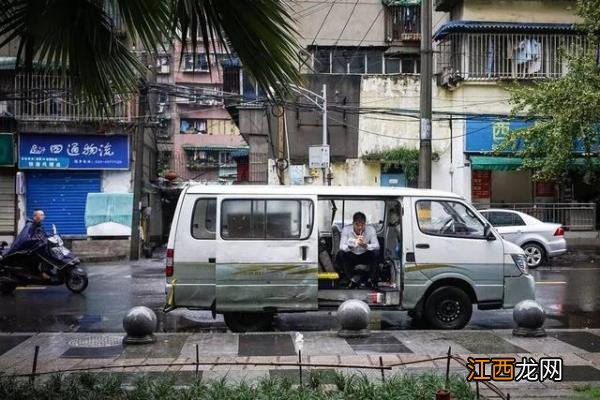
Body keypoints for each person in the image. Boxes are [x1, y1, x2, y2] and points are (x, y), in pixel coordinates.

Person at [336, 212, 380, 288]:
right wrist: (351, 246)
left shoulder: (371, 229)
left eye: (362, 224)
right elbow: (341, 246)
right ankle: (350, 279)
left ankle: (371, 279)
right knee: (341, 253)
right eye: (357, 224)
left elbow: (377, 246)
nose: (360, 227)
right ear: (353, 223)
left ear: (365, 223)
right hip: (352, 255)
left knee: (376, 253)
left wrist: (365, 245)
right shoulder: (346, 229)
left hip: (365, 254)